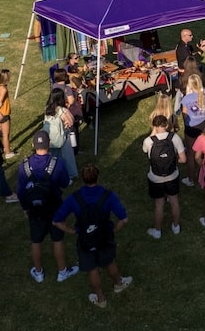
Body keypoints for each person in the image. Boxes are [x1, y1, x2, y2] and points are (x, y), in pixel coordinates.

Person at [53, 163, 132, 308]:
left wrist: (73, 231)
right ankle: (118, 283)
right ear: (97, 177)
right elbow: (123, 219)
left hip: (85, 240)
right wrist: (114, 230)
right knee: (109, 261)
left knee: (92, 269)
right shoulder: (108, 196)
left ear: (83, 179)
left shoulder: (74, 198)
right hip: (104, 237)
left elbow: (57, 220)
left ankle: (100, 298)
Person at [16, 130, 78, 284]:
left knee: (36, 241)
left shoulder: (23, 166)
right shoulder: (57, 163)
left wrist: (25, 208)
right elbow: (64, 183)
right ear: (48, 144)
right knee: (57, 239)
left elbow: (20, 191)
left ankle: (38, 272)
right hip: (55, 208)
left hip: (34, 210)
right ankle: (62, 271)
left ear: (33, 145)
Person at [142, 115, 186, 239]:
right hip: (172, 176)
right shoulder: (175, 138)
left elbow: (145, 151)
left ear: (154, 126)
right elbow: (183, 159)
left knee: (159, 204)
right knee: (174, 202)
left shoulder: (148, 141)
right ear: (166, 125)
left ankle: (157, 231)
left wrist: (152, 133)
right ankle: (176, 226)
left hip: (155, 178)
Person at [180, 75, 205, 187]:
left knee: (190, 154)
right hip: (203, 127)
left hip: (190, 128)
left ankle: (190, 179)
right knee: (204, 152)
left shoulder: (186, 99)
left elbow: (184, 115)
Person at [43, 88, 78, 181]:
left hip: (51, 139)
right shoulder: (62, 110)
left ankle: (55, 175)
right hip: (63, 138)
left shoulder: (47, 109)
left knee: (54, 159)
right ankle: (69, 175)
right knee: (67, 158)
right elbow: (71, 122)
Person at [0, 68, 15, 159]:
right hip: (3, 114)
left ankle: (4, 147)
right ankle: (8, 152)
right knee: (5, 134)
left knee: (1, 134)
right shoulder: (4, 89)